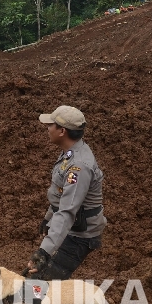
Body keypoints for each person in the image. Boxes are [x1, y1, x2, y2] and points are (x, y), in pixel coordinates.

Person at [27, 105, 105, 281]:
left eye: (50, 125)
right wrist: (49, 216)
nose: (47, 129)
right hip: (71, 226)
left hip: (80, 234)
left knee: (41, 282)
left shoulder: (79, 167)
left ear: (62, 131)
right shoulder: (70, 154)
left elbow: (68, 211)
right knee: (36, 281)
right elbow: (60, 193)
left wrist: (44, 251)